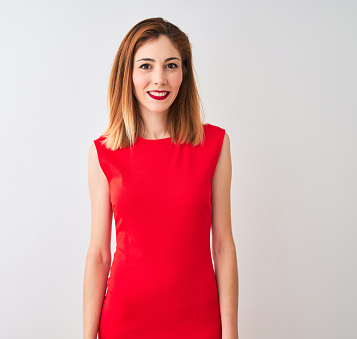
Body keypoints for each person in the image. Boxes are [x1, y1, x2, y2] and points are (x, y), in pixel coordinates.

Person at [83, 17, 238, 339]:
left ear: (184, 73)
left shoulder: (214, 145)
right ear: (128, 73)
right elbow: (99, 253)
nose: (159, 79)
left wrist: (231, 332)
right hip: (124, 320)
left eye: (171, 65)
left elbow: (222, 245)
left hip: (199, 321)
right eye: (146, 66)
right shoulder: (104, 152)